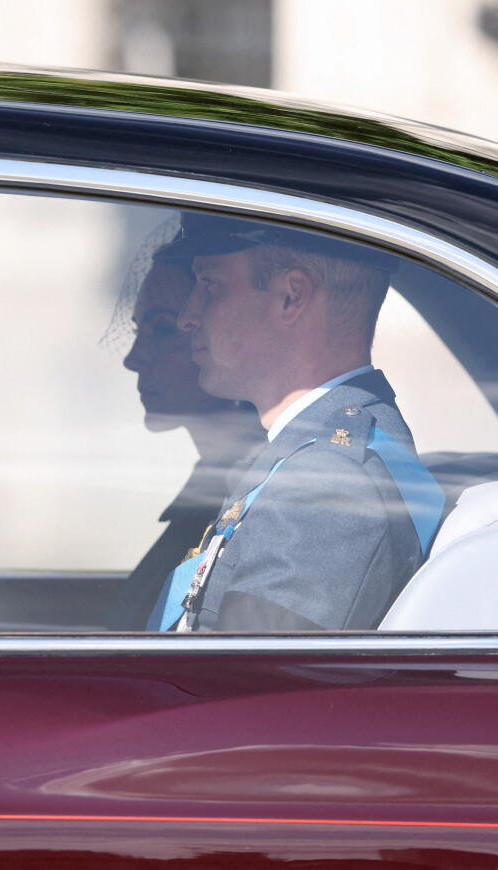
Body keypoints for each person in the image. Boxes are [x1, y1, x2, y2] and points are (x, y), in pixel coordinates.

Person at [147, 213, 445, 632]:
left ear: (291, 297)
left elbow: (239, 691)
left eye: (209, 284)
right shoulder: (308, 456)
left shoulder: (329, 484)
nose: (187, 317)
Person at [107, 253, 264, 630]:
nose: (132, 359)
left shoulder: (257, 497)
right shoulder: (214, 487)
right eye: (137, 333)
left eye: (162, 331)